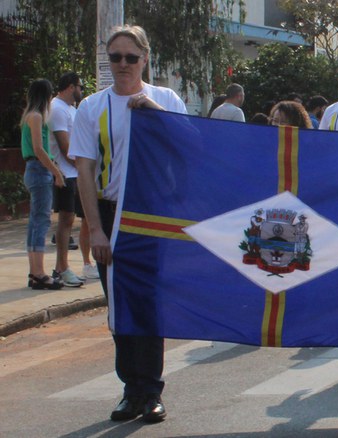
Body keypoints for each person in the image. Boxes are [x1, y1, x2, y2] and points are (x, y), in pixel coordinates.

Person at [69, 24, 187, 423]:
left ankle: (151, 390)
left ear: (145, 59)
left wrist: (153, 112)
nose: (122, 64)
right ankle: (130, 389)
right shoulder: (91, 107)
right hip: (109, 212)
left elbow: (190, 147)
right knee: (119, 305)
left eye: (130, 57)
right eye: (114, 57)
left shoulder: (166, 99)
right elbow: (84, 171)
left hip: (151, 213)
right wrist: (95, 229)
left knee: (148, 302)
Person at [21, 79, 65, 290]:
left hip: (33, 170)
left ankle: (34, 272)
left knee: (35, 221)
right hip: (39, 171)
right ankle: (39, 272)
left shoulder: (29, 115)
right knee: (41, 221)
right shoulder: (37, 117)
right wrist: (56, 171)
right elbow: (39, 149)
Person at [49, 72, 88, 287]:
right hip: (66, 173)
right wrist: (83, 166)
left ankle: (62, 267)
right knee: (65, 221)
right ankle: (62, 268)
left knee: (73, 220)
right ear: (71, 86)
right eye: (79, 87)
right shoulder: (56, 108)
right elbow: (65, 148)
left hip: (76, 173)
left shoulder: (71, 109)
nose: (81, 91)